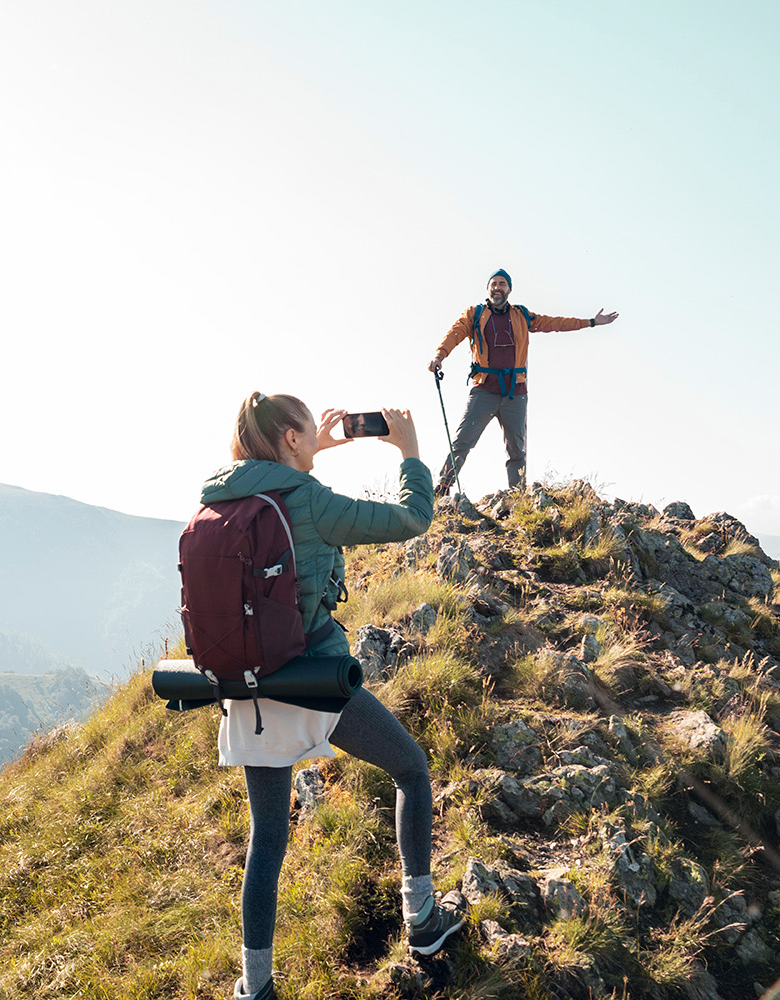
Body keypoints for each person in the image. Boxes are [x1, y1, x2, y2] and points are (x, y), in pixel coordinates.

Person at [199, 392, 463, 1000]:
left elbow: (287, 525)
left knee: (267, 834)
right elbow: (410, 520)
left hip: (247, 689)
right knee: (412, 770)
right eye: (306, 426)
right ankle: (421, 921)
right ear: (290, 438)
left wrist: (313, 453)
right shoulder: (308, 500)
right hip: (312, 679)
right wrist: (411, 453)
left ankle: (255, 985)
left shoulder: (223, 498)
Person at [427, 268, 620, 496]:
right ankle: (442, 488)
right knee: (462, 442)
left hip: (515, 394)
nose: (497, 287)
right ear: (488, 288)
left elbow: (555, 323)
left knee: (517, 450)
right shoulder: (475, 314)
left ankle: (517, 499)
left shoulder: (522, 315)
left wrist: (591, 322)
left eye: (502, 284)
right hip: (484, 391)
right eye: (494, 284)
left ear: (509, 289)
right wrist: (440, 356)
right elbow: (455, 333)